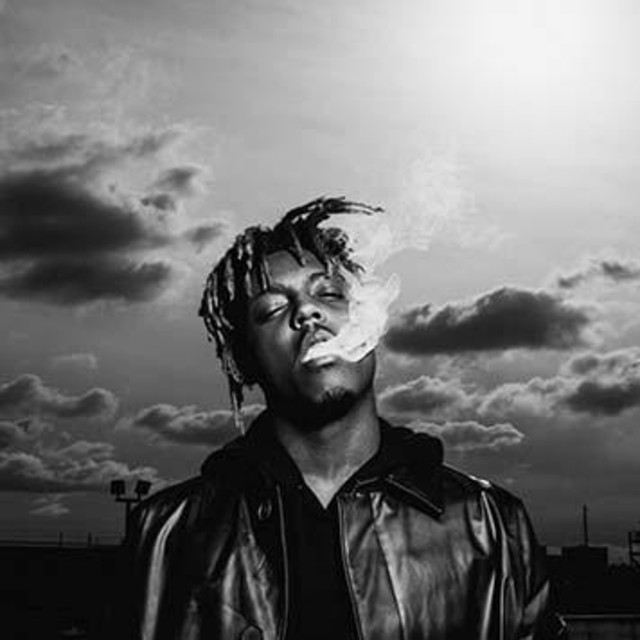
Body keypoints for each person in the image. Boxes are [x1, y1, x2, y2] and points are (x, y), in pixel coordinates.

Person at [120, 197, 565, 639]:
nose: (306, 312)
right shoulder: (167, 533)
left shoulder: (491, 525)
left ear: (370, 320)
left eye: (329, 293)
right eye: (272, 310)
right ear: (244, 361)